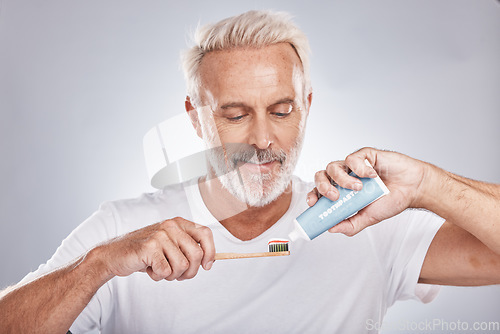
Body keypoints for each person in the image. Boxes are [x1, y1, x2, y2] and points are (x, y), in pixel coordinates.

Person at [1, 10, 499, 334]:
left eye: (281, 111)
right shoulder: (117, 232)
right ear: (196, 116)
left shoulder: (365, 220)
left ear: (305, 107)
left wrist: (427, 185)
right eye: (236, 115)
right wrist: (99, 266)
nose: (263, 140)